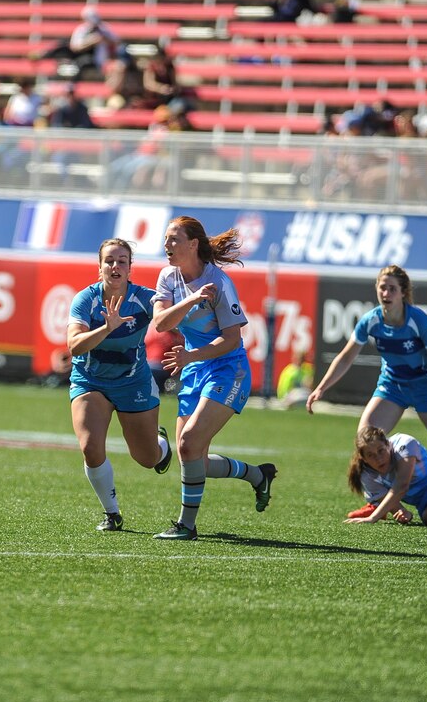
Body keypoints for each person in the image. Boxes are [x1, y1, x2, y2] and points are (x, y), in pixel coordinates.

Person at [306, 265, 427, 516]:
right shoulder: (372, 320)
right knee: (364, 441)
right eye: (382, 287)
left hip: (426, 388)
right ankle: (377, 501)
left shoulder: (418, 321)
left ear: (403, 292)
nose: (386, 293)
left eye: (392, 288)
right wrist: (321, 388)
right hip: (393, 386)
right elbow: (346, 357)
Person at [150, 216, 277, 540]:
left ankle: (186, 526)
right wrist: (193, 299)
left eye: (174, 239)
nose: (167, 245)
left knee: (189, 442)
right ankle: (257, 476)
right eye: (166, 239)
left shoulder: (219, 282)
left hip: (227, 369)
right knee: (193, 458)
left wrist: (190, 355)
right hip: (194, 369)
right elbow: (161, 323)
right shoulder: (168, 276)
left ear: (193, 244)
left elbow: (232, 339)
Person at [67, 238, 173, 531]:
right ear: (99, 267)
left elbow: (172, 319)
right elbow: (75, 346)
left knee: (147, 458)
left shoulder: (145, 298)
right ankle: (112, 514)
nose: (115, 266)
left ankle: (161, 444)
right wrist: (106, 328)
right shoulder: (85, 300)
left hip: (133, 383)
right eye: (109, 261)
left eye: (122, 261)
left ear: (130, 268)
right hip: (91, 381)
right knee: (90, 446)